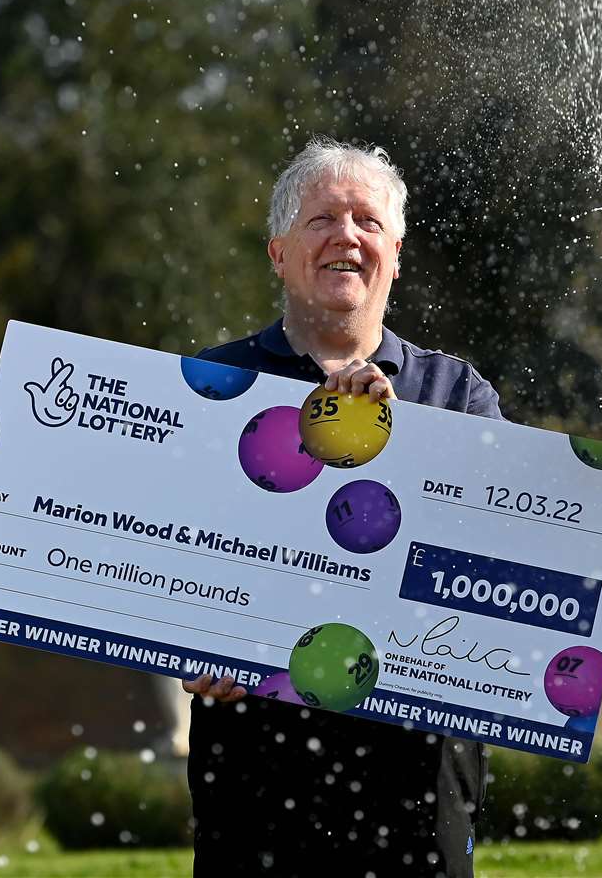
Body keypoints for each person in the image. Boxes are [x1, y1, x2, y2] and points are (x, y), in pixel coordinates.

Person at [185, 137, 502, 877]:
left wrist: (406, 441)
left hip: (417, 757)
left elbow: (492, 552)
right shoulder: (211, 387)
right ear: (279, 251)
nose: (347, 236)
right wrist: (182, 642)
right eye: (323, 218)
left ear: (395, 252)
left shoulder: (459, 396)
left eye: (366, 220)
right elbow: (173, 553)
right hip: (252, 748)